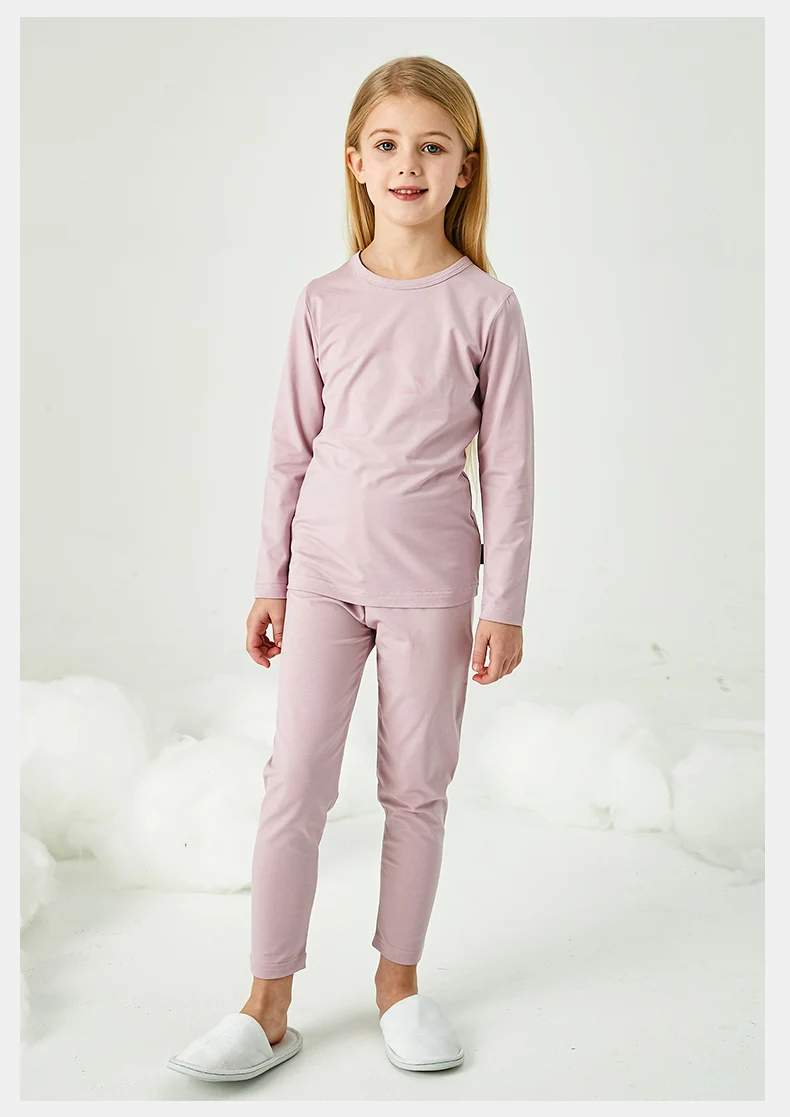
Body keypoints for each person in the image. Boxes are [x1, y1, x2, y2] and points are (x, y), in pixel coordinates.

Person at [167, 53, 534, 1082]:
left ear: (464, 167)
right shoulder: (322, 300)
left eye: (432, 146)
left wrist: (504, 601)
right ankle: (267, 1002)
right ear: (355, 163)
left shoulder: (488, 307)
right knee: (294, 782)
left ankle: (398, 985)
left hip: (434, 585)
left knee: (416, 788)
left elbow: (508, 466)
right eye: (388, 144)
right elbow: (290, 449)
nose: (408, 163)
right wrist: (270, 578)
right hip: (322, 575)